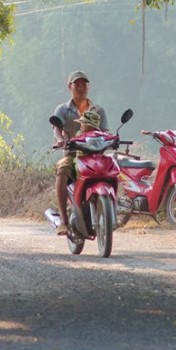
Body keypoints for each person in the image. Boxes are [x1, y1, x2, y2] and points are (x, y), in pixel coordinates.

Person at [52, 72, 106, 234]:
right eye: (77, 84)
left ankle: (111, 211)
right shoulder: (62, 109)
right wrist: (61, 140)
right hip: (72, 155)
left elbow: (105, 132)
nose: (81, 88)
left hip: (95, 156)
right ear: (70, 87)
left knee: (112, 171)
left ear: (89, 87)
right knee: (62, 172)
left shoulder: (98, 110)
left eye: (84, 84)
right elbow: (57, 129)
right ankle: (64, 220)